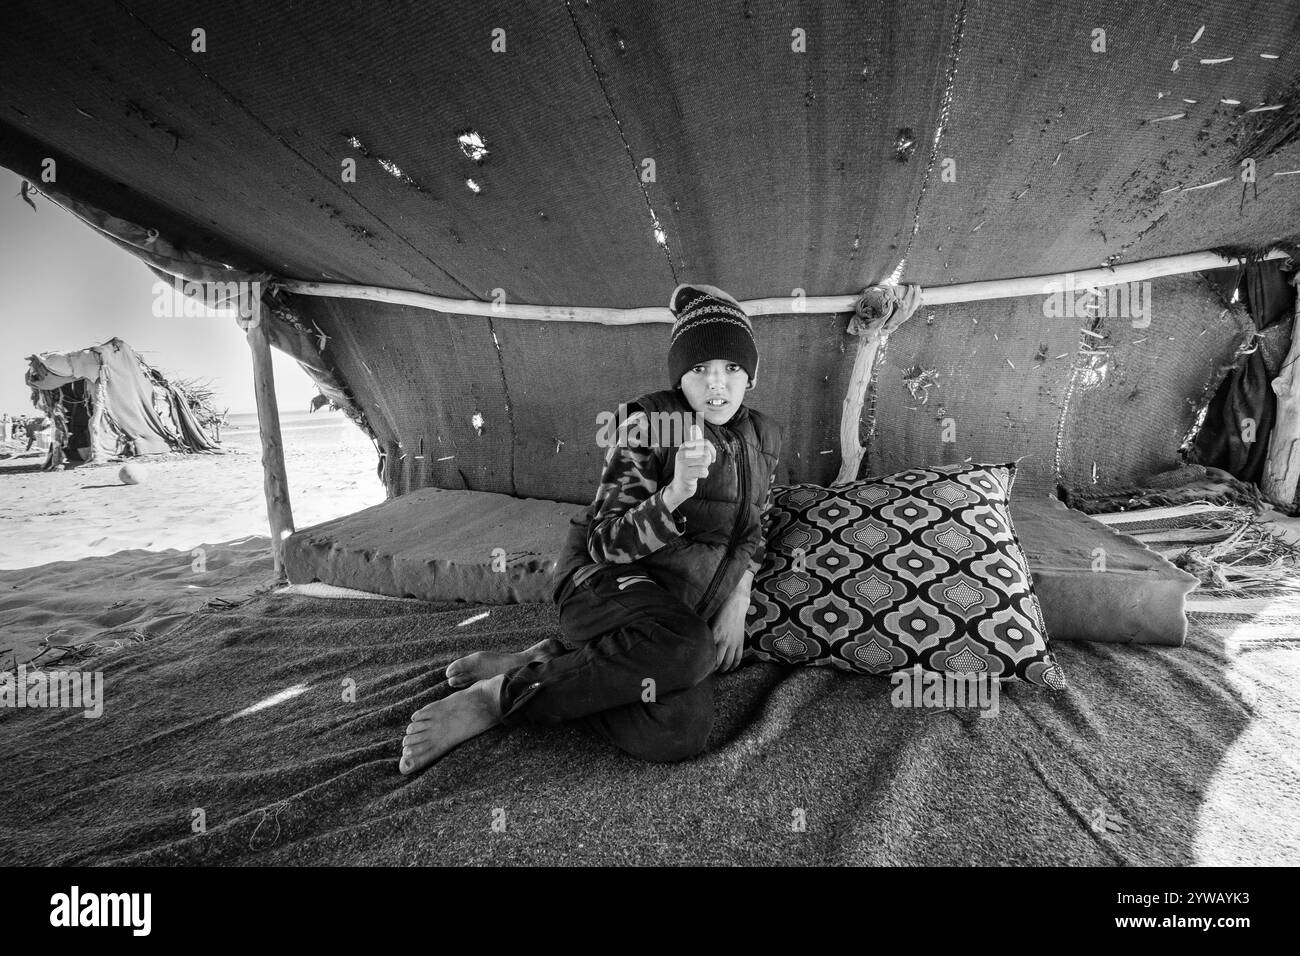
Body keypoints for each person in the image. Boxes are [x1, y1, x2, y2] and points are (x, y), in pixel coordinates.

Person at [399, 283, 782, 773]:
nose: (716, 385)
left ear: (750, 375)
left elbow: (757, 523)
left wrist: (740, 595)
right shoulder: (651, 423)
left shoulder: (764, 435)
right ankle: (498, 699)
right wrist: (675, 494)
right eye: (699, 369)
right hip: (601, 585)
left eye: (731, 368)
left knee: (679, 729)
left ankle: (552, 662)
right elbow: (606, 544)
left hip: (665, 619)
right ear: (679, 376)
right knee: (689, 648)